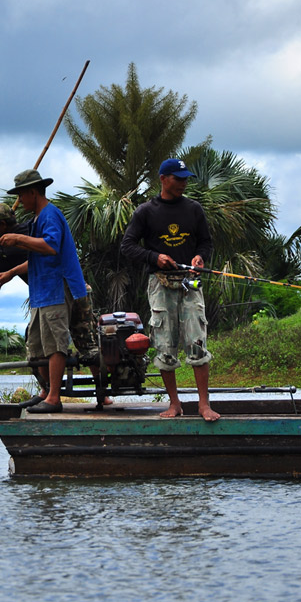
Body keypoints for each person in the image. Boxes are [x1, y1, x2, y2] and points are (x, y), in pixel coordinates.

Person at [120, 158, 220, 422]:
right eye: (179, 179)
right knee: (164, 345)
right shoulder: (145, 211)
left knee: (197, 341)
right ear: (163, 179)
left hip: (190, 284)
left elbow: (206, 243)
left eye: (186, 178)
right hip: (160, 285)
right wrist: (155, 257)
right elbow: (127, 246)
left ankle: (203, 404)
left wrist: (200, 259)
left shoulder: (194, 209)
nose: (183, 183)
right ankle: (174, 404)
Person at [0, 169, 89, 414]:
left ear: (32, 192)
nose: (19, 201)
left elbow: (50, 246)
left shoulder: (49, 215)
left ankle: (54, 398)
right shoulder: (37, 219)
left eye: (21, 196)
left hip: (56, 288)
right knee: (37, 345)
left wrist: (17, 239)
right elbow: (38, 256)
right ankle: (46, 392)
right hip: (41, 292)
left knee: (55, 344)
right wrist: (12, 272)